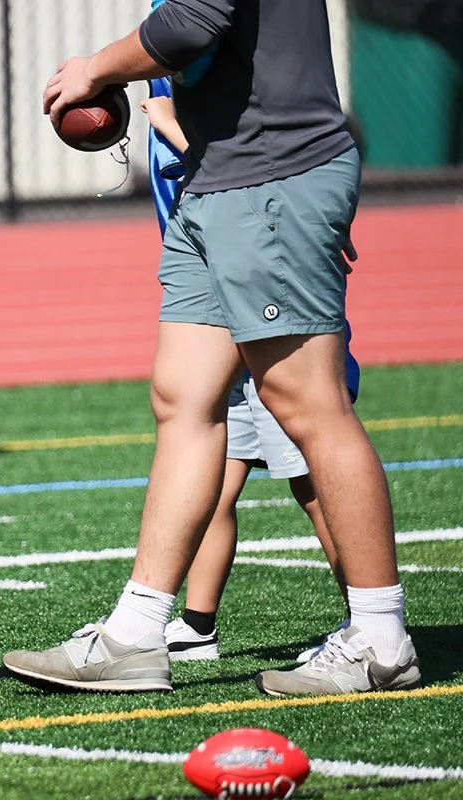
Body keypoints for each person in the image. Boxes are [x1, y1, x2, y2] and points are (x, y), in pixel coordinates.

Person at [3, 0, 418, 697]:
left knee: (308, 403)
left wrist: (94, 69)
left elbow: (191, 24)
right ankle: (136, 635)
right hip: (218, 181)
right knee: (183, 399)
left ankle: (380, 638)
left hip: (269, 177)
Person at [141, 84, 353, 662]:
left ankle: (368, 622)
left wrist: (170, 126)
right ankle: (196, 626)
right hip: (216, 303)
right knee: (211, 478)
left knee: (312, 482)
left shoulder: (235, 83)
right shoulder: (175, 76)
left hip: (267, 294)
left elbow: (242, 172)